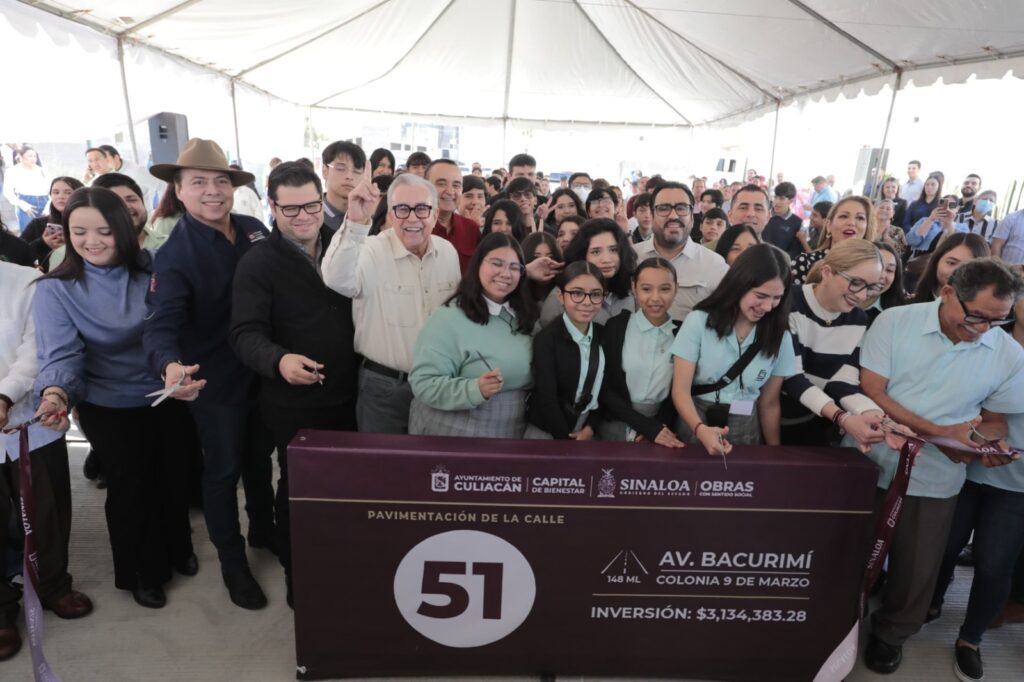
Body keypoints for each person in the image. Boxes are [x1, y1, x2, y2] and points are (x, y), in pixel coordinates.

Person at [33, 186, 197, 609]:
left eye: (104, 231)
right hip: (108, 402)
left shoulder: (154, 270)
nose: (92, 241)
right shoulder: (56, 289)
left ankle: (178, 547)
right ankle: (141, 572)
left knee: (175, 475)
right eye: (79, 232)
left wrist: (182, 369)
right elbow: (62, 354)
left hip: (168, 389)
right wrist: (56, 394)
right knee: (130, 485)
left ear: (124, 229)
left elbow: (178, 325)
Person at [859, 258, 1024, 676]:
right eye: (976, 316)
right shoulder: (895, 321)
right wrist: (938, 432)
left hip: (937, 476)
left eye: (998, 321)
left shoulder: (1007, 353)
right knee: (847, 550)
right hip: (867, 457)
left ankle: (892, 634)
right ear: (948, 292)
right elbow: (872, 389)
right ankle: (836, 619)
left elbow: (995, 420)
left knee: (917, 568)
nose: (984, 329)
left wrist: (983, 444)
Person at [144, 138, 274, 610]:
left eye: (221, 181)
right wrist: (169, 366)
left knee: (262, 460)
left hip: (265, 371)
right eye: (198, 182)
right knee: (223, 471)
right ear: (178, 190)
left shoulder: (255, 229)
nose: (213, 191)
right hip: (216, 381)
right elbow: (159, 326)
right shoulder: (174, 255)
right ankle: (233, 565)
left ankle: (264, 530)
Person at [229, 161, 358, 608]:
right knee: (299, 489)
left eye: (311, 206)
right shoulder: (258, 262)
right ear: (272, 207)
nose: (303, 217)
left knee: (351, 486)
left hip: (354, 392)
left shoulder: (347, 244)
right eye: (291, 209)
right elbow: (244, 333)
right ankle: (297, 571)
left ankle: (347, 560)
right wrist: (278, 360)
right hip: (294, 401)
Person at [927, 284, 1024, 681]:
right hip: (961, 464)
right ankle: (930, 603)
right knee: (944, 545)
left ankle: (971, 639)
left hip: (1017, 481)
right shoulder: (981, 335)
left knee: (994, 562)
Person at [0, 260, 93, 661]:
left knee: (47, 510)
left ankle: (53, 585)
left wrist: (4, 396)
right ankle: (2, 608)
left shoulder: (26, 281)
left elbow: (37, 349)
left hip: (31, 419)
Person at [321, 166, 460, 434]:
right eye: (402, 209)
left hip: (440, 383)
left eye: (422, 209)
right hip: (385, 389)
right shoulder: (370, 250)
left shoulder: (448, 252)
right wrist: (356, 222)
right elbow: (336, 280)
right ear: (391, 214)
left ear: (435, 214)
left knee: (433, 459)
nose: (412, 218)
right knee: (382, 461)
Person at [671, 244, 797, 455]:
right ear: (739, 285)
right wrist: (700, 429)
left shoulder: (780, 335)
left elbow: (769, 403)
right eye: (760, 296)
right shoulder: (699, 321)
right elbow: (680, 390)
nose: (768, 307)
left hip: (746, 424)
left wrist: (774, 454)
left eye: (777, 298)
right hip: (696, 420)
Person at [409, 233, 537, 438]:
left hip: (513, 427)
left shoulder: (526, 315)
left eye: (515, 267)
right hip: (458, 427)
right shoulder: (448, 318)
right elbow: (423, 383)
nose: (506, 273)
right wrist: (474, 389)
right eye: (497, 264)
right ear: (477, 264)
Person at [780, 240, 896, 447]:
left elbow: (843, 380)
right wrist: (842, 418)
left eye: (871, 287)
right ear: (827, 272)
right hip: (766, 416)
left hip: (810, 420)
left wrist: (880, 419)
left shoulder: (858, 320)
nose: (862, 295)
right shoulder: (789, 302)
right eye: (856, 282)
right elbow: (792, 377)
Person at [598, 258, 685, 447]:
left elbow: (681, 390)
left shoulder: (683, 334)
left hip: (662, 430)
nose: (655, 298)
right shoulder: (617, 327)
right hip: (616, 424)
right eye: (646, 289)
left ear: (676, 289)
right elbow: (605, 387)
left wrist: (658, 427)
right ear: (634, 288)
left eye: (665, 289)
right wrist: (647, 427)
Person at [526, 262, 607, 440]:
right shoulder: (547, 339)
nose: (587, 302)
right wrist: (565, 440)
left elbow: (604, 389)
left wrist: (591, 427)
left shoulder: (603, 334)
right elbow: (547, 398)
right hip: (547, 431)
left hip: (585, 428)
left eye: (595, 294)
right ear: (561, 296)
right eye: (577, 293)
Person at [633, 181, 727, 322]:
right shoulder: (632, 257)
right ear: (651, 216)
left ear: (692, 217)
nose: (673, 216)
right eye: (663, 208)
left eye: (682, 208)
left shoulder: (715, 265)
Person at [540, 218, 636, 326]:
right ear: (582, 255)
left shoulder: (633, 289)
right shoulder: (560, 298)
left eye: (613, 250)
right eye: (596, 252)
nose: (606, 259)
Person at [791, 195, 876, 285]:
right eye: (844, 216)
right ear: (828, 225)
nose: (851, 223)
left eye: (860, 218)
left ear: (867, 228)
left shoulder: (873, 268)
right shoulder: (805, 263)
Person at [18, 176, 83, 270]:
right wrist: (43, 243)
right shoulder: (38, 224)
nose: (60, 196)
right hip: (49, 276)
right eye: (56, 192)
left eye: (68, 192)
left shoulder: (90, 223)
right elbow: (17, 254)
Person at [427, 159, 478, 273]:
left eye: (456, 185)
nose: (450, 191)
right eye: (441, 184)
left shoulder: (472, 229)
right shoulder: (414, 229)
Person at [912, 233, 990, 302]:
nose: (957, 271)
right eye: (951, 263)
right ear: (936, 261)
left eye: (968, 266)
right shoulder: (910, 307)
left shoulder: (988, 312)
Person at [97, 145, 163, 209]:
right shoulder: (109, 173)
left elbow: (161, 185)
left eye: (106, 160)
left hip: (144, 213)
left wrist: (162, 210)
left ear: (116, 157)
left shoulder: (137, 171)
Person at [320, 141, 366, 231]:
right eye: (341, 168)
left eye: (356, 171)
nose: (349, 176)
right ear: (325, 171)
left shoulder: (367, 218)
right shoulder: (312, 216)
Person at [2, 146, 49, 231]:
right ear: (21, 157)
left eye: (35, 156)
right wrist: (24, 205)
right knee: (28, 233)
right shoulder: (12, 171)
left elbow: (49, 190)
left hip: (44, 203)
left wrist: (48, 206)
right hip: (26, 203)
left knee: (46, 234)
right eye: (30, 156)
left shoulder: (41, 170)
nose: (33, 159)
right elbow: (8, 192)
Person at [863, 241, 908, 325]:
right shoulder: (838, 301)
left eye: (890, 270)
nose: (882, 275)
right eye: (877, 266)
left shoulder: (898, 313)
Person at [762, 182, 805, 259]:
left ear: (791, 201)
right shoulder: (764, 215)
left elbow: (795, 251)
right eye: (775, 197)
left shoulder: (797, 223)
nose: (776, 202)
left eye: (782, 198)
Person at [521, 231, 561, 304]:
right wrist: (526, 271)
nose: (543, 262)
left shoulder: (563, 287)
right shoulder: (517, 288)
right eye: (536, 257)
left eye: (550, 257)